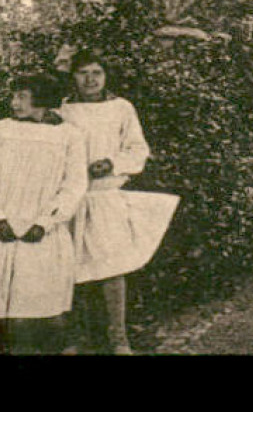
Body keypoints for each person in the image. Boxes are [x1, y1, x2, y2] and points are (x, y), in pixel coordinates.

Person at [57, 51, 180, 356]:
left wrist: (111, 163)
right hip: (73, 198)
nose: (90, 79)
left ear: (106, 76)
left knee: (111, 268)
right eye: (83, 73)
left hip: (106, 196)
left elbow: (138, 149)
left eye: (96, 73)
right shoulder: (63, 111)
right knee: (72, 267)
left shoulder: (121, 108)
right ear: (73, 76)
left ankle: (118, 339)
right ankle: (77, 336)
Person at [0, 72, 88, 354]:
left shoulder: (69, 135)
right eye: (14, 95)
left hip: (42, 234)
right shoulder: (0, 130)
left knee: (36, 310)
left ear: (41, 99)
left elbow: (74, 184)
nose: (14, 102)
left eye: (22, 96)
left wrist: (45, 222)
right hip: (0, 230)